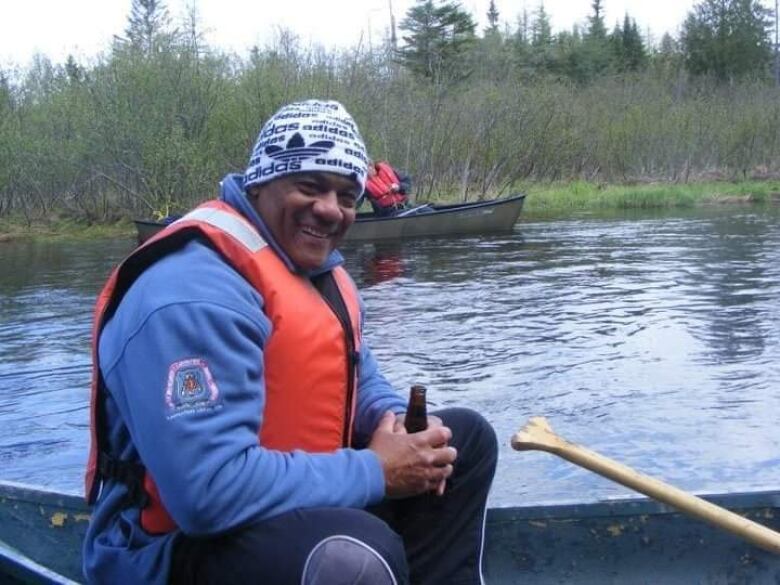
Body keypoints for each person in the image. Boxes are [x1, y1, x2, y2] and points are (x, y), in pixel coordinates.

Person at [83, 99, 497, 585]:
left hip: (282, 509)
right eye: (310, 186)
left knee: (462, 440)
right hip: (163, 549)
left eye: (346, 195)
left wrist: (398, 426)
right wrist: (376, 471)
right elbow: (207, 494)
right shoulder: (190, 293)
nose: (329, 209)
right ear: (259, 183)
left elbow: (360, 377)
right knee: (351, 559)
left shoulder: (315, 268)